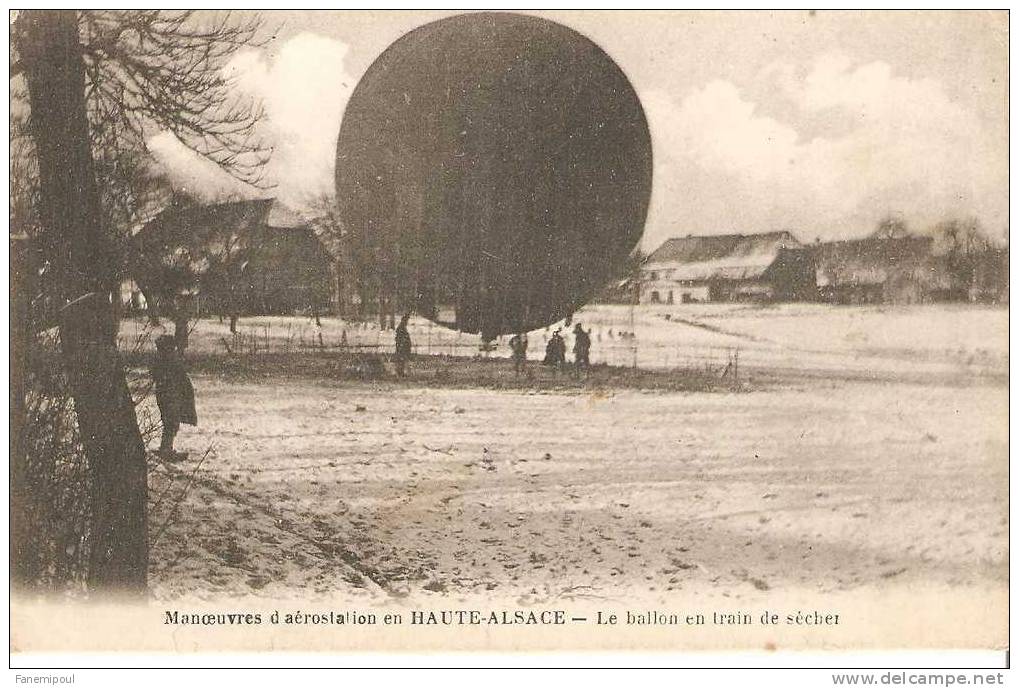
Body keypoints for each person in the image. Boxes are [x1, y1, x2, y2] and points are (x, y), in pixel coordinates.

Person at [151, 334, 197, 461]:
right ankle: (166, 449)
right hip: (170, 396)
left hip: (169, 395)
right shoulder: (168, 360)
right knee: (171, 423)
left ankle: (166, 447)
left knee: (170, 423)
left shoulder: (163, 360)